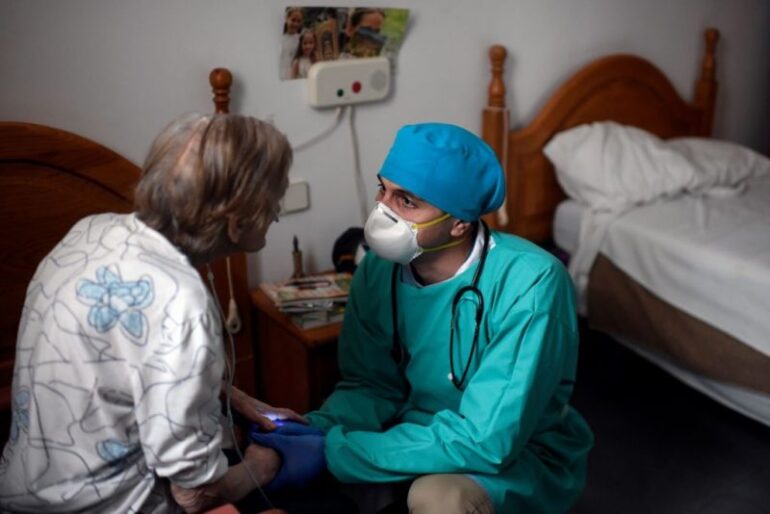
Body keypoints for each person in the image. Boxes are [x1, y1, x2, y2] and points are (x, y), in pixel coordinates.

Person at [0, 113, 325, 513]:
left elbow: (131, 366)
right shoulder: (180, 301)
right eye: (275, 199)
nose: (278, 208)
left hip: (23, 491)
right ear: (237, 224)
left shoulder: (93, 229)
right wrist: (268, 463)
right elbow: (194, 494)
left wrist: (235, 398)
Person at [303, 123, 594, 513]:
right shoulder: (377, 271)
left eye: (406, 201)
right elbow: (371, 386)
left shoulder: (532, 284)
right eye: (382, 190)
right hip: (421, 430)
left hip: (516, 448)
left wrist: (335, 451)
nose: (382, 211)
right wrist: (313, 432)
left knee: (438, 499)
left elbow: (487, 439)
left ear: (459, 221)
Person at [280, 7, 304, 80]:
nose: (295, 24)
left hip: (295, 76)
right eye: (293, 20)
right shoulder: (279, 38)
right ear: (287, 19)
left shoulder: (301, 39)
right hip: (281, 74)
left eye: (298, 21)